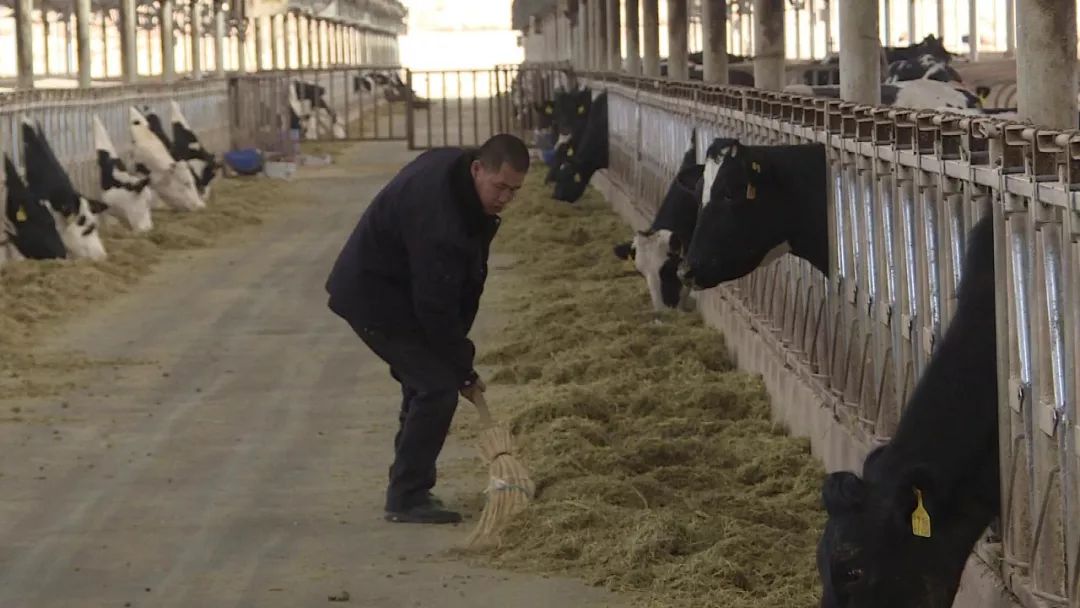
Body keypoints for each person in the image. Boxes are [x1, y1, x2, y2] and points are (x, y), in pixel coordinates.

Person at [325, 134, 529, 524]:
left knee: (424, 380)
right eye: (499, 187)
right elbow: (435, 306)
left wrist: (457, 361)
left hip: (399, 289)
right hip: (374, 296)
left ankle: (406, 483)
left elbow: (455, 290)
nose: (505, 198)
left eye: (514, 191)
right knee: (436, 388)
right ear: (477, 169)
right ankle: (408, 496)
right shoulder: (441, 220)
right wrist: (461, 368)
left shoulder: (458, 178)